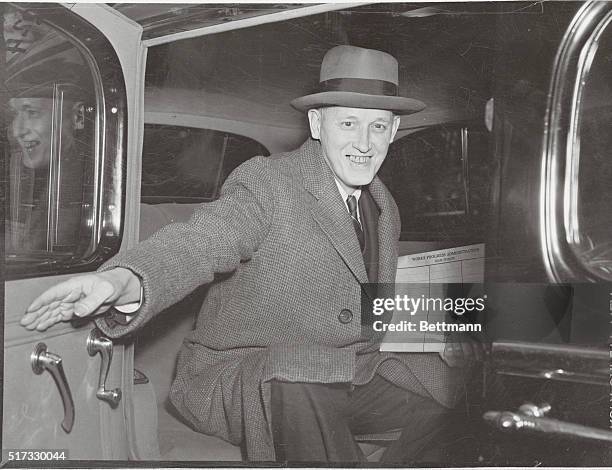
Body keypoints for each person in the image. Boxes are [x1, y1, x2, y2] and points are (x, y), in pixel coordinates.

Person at [21, 46, 475, 463]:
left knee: (458, 393)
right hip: (245, 375)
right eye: (348, 123)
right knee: (294, 373)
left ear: (394, 131)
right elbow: (204, 240)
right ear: (318, 125)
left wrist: (443, 331)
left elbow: (366, 304)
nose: (364, 143)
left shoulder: (383, 205)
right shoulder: (268, 182)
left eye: (377, 126)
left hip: (346, 371)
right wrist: (124, 281)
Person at [7, 59, 91, 252]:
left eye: (32, 112)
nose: (17, 130)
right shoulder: (50, 172)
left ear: (78, 116)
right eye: (15, 114)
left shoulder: (82, 190)